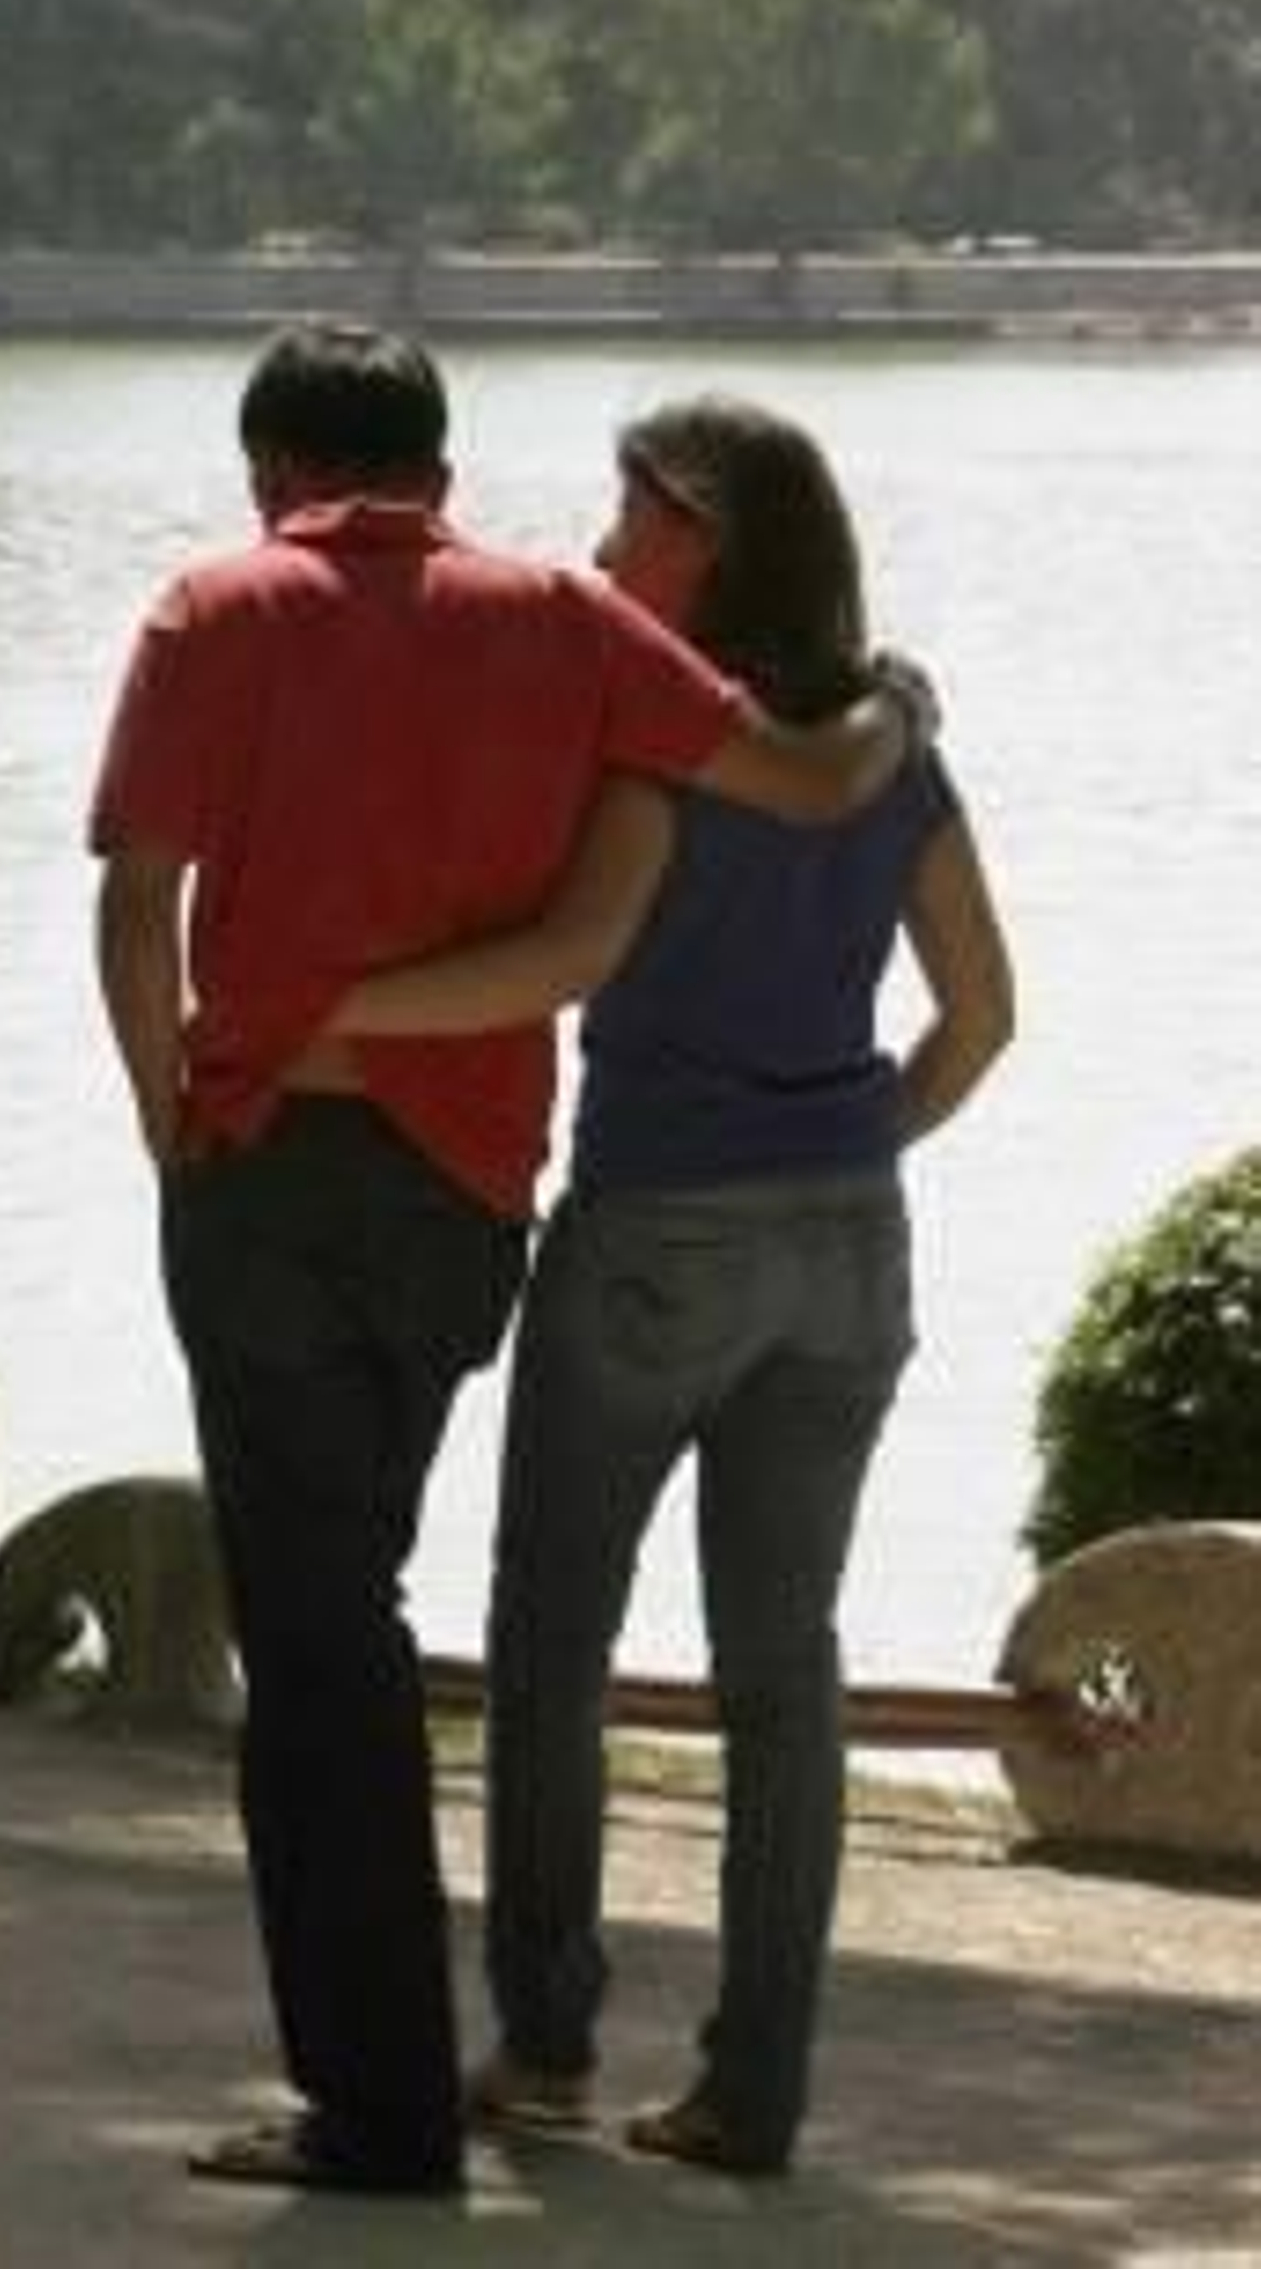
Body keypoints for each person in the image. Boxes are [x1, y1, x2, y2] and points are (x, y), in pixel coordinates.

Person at [87, 325, 912, 2198]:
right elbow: (804, 778)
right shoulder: (564, 619)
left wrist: (172, 1126)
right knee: (351, 1588)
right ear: (443, 470)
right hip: (468, 1206)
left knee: (319, 1638)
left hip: (273, 1170)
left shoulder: (220, 609)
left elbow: (140, 903)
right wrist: (899, 717)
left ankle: (379, 2109)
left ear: (272, 467)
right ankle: (409, 2078)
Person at [327, 392, 1015, 2180]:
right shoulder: (895, 749)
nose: (610, 544)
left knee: (552, 1643)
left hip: (654, 1233)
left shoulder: (653, 741)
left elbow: (567, 953)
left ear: (704, 535)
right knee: (786, 1673)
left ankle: (546, 2047)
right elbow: (985, 1019)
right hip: (850, 1243)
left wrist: (333, 1008)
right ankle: (754, 2094)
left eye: (634, 520)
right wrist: (845, 1145)